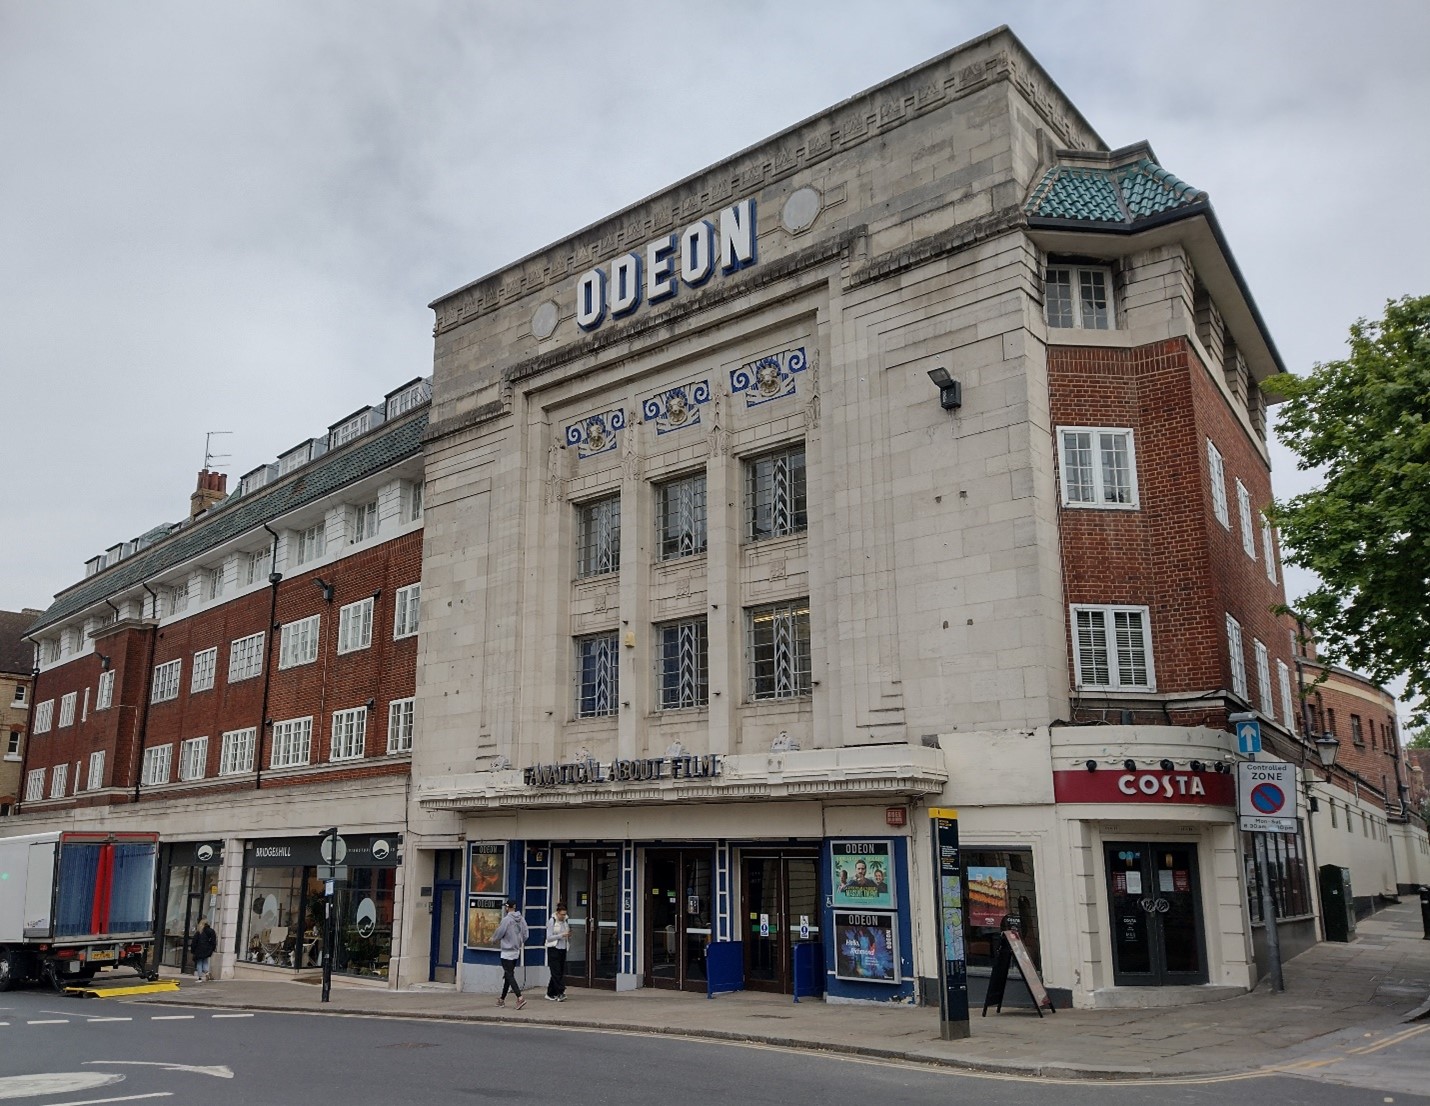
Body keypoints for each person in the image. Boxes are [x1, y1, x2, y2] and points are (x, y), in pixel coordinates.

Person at [493, 900, 528, 1009]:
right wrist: (519, 941)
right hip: (516, 951)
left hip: (506, 952)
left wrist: (494, 939)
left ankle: (520, 997)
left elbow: (500, 932)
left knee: (509, 975)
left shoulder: (506, 920)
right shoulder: (521, 919)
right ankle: (502, 999)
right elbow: (526, 934)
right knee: (508, 975)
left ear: (507, 907)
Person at [545, 901, 571, 1002]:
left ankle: (550, 993)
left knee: (559, 971)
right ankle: (560, 992)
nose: (563, 916)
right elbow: (549, 937)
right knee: (556, 971)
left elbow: (566, 931)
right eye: (562, 914)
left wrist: (568, 935)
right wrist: (561, 935)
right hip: (553, 948)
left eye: (565, 914)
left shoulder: (565, 921)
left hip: (562, 948)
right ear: (557, 913)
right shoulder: (552, 921)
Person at [190, 916, 218, 983]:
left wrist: (193, 950)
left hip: (199, 949)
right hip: (207, 949)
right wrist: (212, 949)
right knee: (205, 961)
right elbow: (214, 941)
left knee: (199, 963)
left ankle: (200, 978)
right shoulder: (211, 931)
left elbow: (194, 941)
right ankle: (207, 973)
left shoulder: (199, 931)